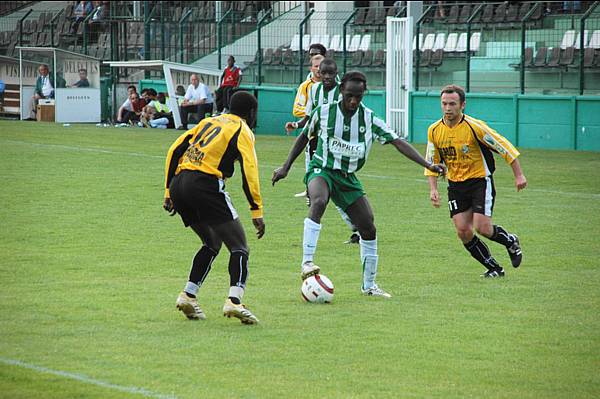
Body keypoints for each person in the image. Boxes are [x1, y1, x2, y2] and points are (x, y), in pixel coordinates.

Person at [272, 71, 445, 298]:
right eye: (350, 95)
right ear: (341, 90)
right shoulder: (324, 112)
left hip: (348, 177)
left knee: (368, 226)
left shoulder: (369, 118)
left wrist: (428, 164)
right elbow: (304, 136)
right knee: (319, 200)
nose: (353, 101)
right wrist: (285, 167)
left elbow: (397, 142)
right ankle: (307, 262)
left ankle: (369, 286)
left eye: (358, 96)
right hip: (322, 169)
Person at [164, 91, 264, 324]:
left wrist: (169, 191)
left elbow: (174, 150)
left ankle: (188, 295)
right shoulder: (243, 130)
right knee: (240, 246)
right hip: (205, 184)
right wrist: (256, 210)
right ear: (251, 112)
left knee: (212, 242)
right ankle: (235, 301)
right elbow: (249, 171)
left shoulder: (208, 121)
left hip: (180, 184)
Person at [424, 85, 526, 278]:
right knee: (463, 230)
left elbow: (504, 147)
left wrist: (519, 175)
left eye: (452, 104)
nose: (448, 108)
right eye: (444, 103)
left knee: (483, 228)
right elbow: (432, 162)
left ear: (463, 104)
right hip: (455, 185)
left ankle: (511, 241)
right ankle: (494, 268)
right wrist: (433, 189)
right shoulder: (434, 130)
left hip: (480, 181)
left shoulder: (475, 127)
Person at [286, 58, 359, 244]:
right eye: (321, 71)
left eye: (329, 73)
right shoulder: (314, 90)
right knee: (321, 192)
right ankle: (355, 228)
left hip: (336, 150)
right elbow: (310, 116)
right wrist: (296, 124)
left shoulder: (342, 92)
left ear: (336, 73)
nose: (325, 76)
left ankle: (357, 228)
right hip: (315, 146)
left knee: (335, 192)